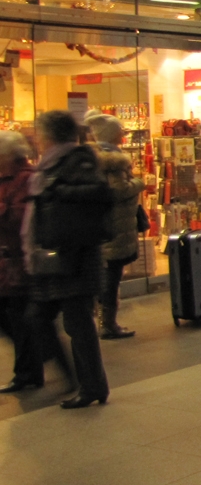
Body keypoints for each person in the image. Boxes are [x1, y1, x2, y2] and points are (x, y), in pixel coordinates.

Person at [24, 111, 113, 409]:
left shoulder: (76, 159)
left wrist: (57, 190)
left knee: (77, 323)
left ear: (50, 135)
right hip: (55, 257)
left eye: (39, 132)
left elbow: (100, 193)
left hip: (75, 256)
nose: (36, 138)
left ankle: (91, 385)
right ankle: (78, 379)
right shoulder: (50, 163)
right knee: (39, 317)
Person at [0, 133, 58, 394]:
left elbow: (23, 218)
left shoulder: (26, 178)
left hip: (20, 261)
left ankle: (30, 370)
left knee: (21, 317)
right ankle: (33, 364)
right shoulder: (8, 178)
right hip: (8, 262)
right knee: (15, 318)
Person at [87, 113, 144, 340]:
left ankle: (102, 320)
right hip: (115, 225)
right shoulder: (112, 160)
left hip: (107, 225)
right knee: (111, 276)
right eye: (120, 131)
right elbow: (118, 191)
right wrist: (138, 183)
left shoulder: (94, 157)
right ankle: (108, 323)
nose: (123, 135)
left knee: (107, 274)